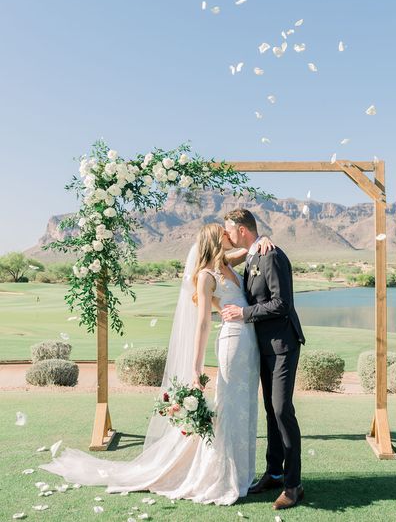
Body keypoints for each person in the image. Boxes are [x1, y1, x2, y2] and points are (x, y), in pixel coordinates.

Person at [39, 223, 273, 506]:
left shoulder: (226, 264)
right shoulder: (206, 276)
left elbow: (249, 248)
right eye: (224, 233)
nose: (229, 235)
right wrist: (196, 367)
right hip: (232, 342)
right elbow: (202, 324)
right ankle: (221, 475)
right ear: (214, 239)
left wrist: (263, 240)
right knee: (229, 407)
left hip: (249, 345)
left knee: (245, 407)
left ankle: (242, 472)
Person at [222, 208, 305, 511]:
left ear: (242, 229)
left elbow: (282, 303)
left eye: (229, 230)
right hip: (263, 347)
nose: (227, 235)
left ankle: (294, 486)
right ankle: (274, 472)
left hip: (283, 344)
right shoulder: (253, 254)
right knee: (271, 411)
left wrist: (243, 314)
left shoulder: (270, 256)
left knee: (282, 410)